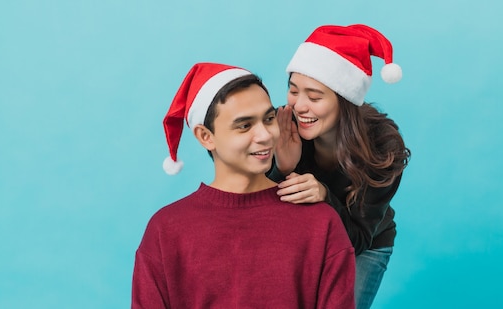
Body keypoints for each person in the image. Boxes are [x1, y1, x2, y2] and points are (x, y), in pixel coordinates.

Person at [132, 62, 356, 308]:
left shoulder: (321, 223)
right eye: (244, 125)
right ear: (206, 136)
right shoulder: (166, 230)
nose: (265, 135)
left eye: (268, 119)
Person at [267, 24, 411, 309]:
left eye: (315, 97)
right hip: (302, 238)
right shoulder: (282, 126)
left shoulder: (383, 147)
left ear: (344, 100)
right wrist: (282, 168)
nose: (299, 106)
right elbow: (262, 211)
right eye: (293, 91)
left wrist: (323, 195)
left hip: (363, 245)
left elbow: (357, 239)